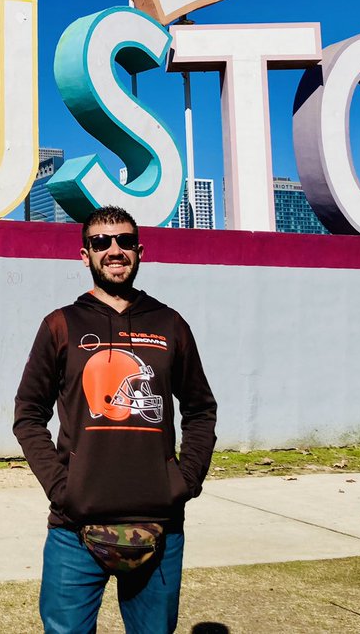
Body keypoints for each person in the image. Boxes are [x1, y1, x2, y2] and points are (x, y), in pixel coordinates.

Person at [13, 205, 217, 634]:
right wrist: (62, 487)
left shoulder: (169, 324)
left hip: (158, 525)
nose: (114, 250)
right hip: (75, 527)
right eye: (101, 242)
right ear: (84, 254)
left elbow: (200, 409)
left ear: (139, 251)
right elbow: (28, 415)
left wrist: (184, 481)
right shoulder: (61, 324)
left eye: (124, 241)